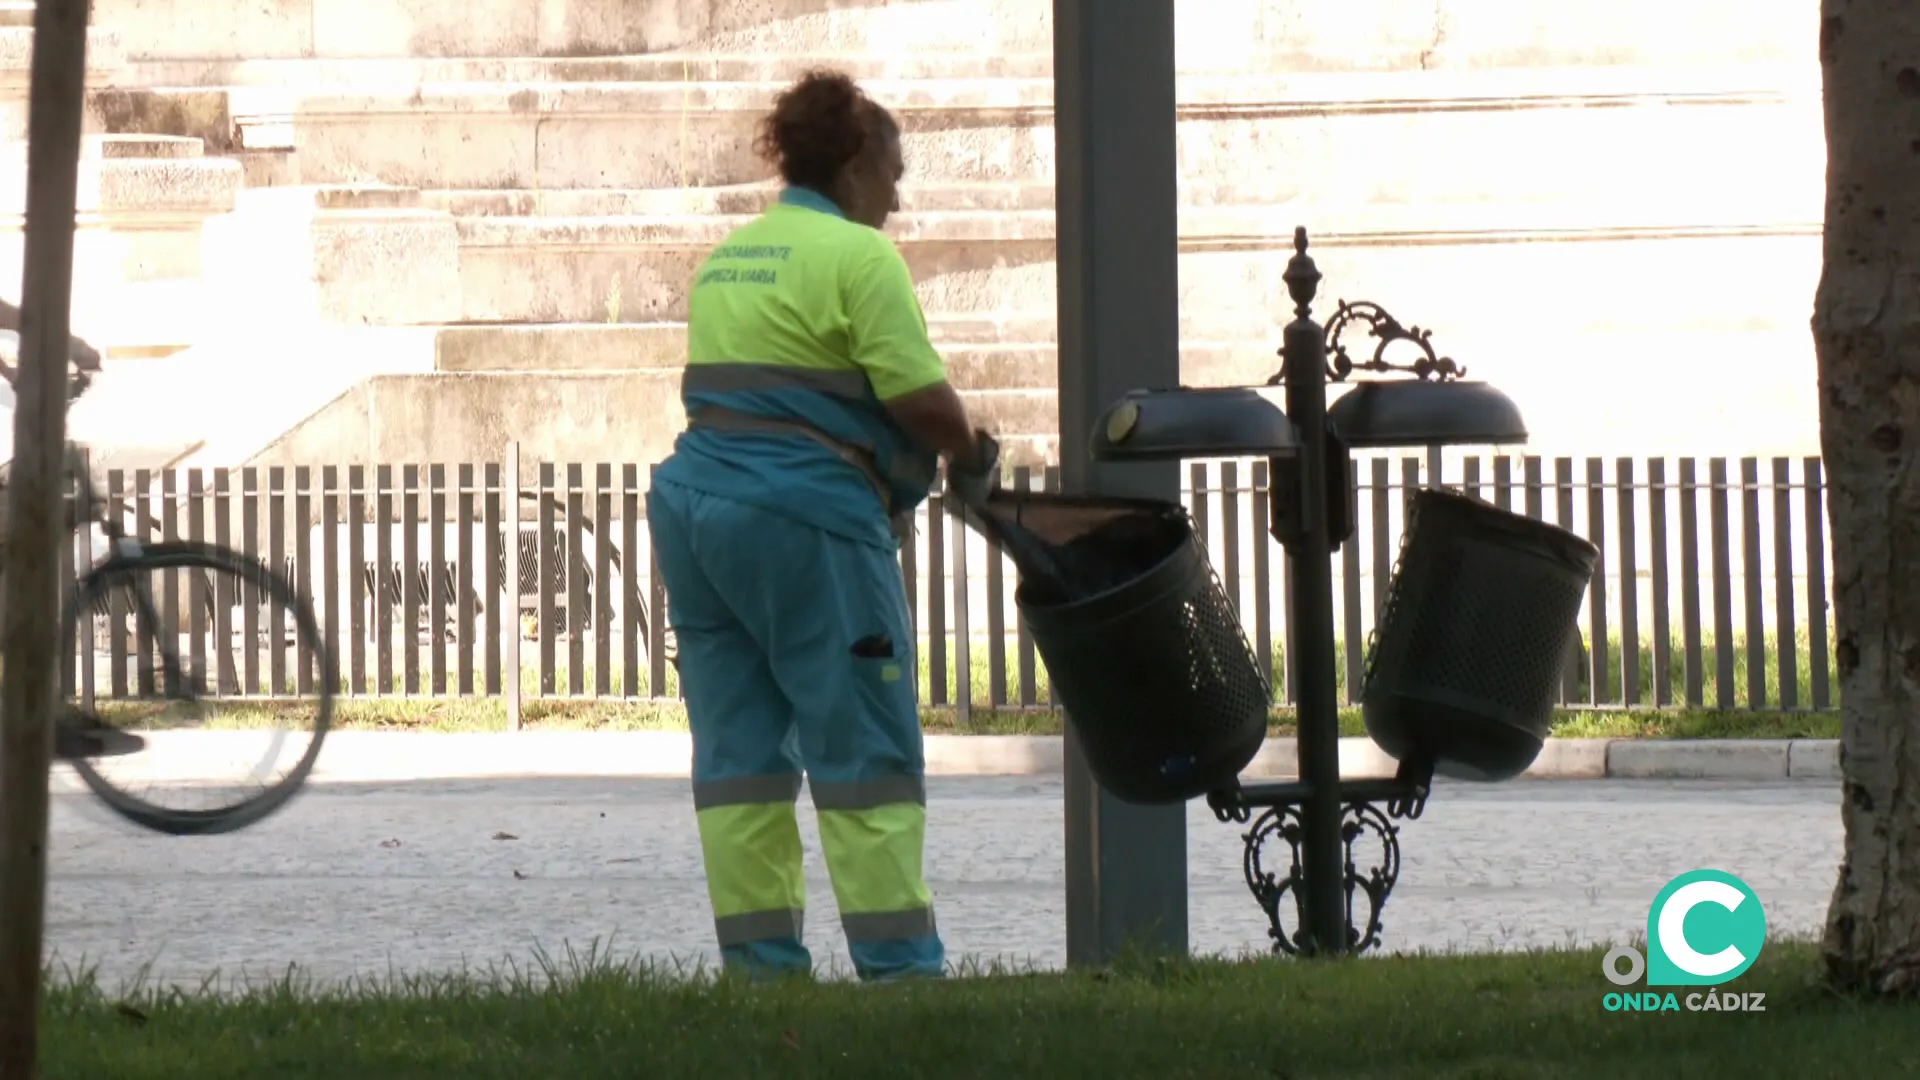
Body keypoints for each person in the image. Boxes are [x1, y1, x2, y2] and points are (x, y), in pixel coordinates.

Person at [646, 69, 999, 983]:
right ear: (851, 166)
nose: (898, 193)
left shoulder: (731, 257)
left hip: (695, 516)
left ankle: (762, 971)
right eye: (892, 171)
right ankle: (903, 974)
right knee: (866, 750)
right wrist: (969, 447)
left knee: (739, 758)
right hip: (807, 524)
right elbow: (919, 399)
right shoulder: (860, 259)